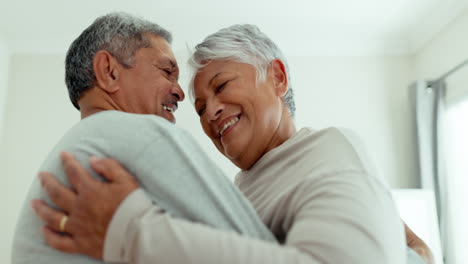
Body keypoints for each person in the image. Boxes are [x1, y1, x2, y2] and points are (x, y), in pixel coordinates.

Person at [31, 22, 433, 264]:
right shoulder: (237, 191)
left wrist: (129, 231)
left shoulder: (329, 149)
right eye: (202, 107)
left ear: (277, 78)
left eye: (222, 86)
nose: (209, 113)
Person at [12, 13, 275, 264]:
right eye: (166, 71)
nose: (181, 93)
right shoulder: (139, 133)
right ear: (109, 71)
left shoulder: (79, 146)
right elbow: (259, 249)